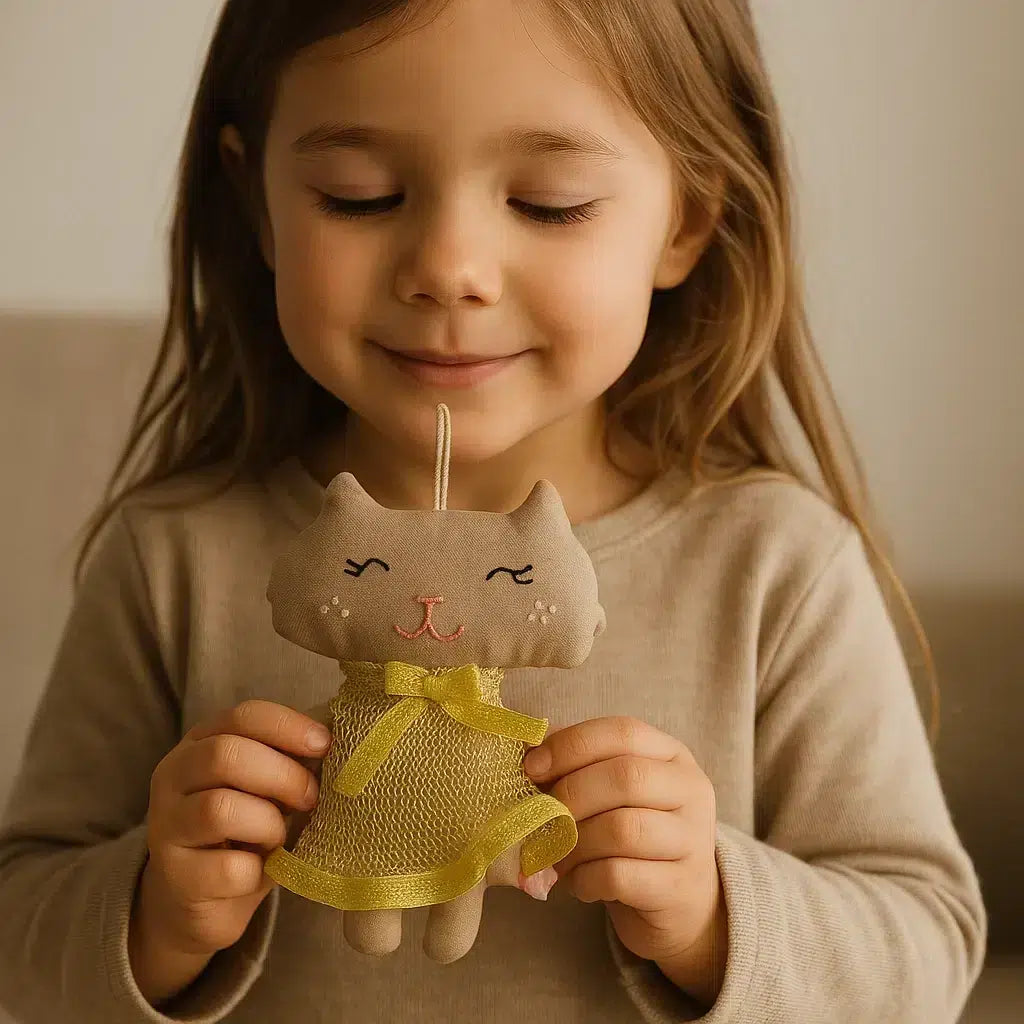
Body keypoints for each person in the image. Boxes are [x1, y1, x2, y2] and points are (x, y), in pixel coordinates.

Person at [0, 0, 986, 1021]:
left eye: (552, 202)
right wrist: (158, 911)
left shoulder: (775, 567)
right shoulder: (174, 555)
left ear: (687, 217)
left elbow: (926, 950)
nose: (448, 269)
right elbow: (19, 929)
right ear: (256, 200)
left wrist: (711, 912)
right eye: (360, 195)